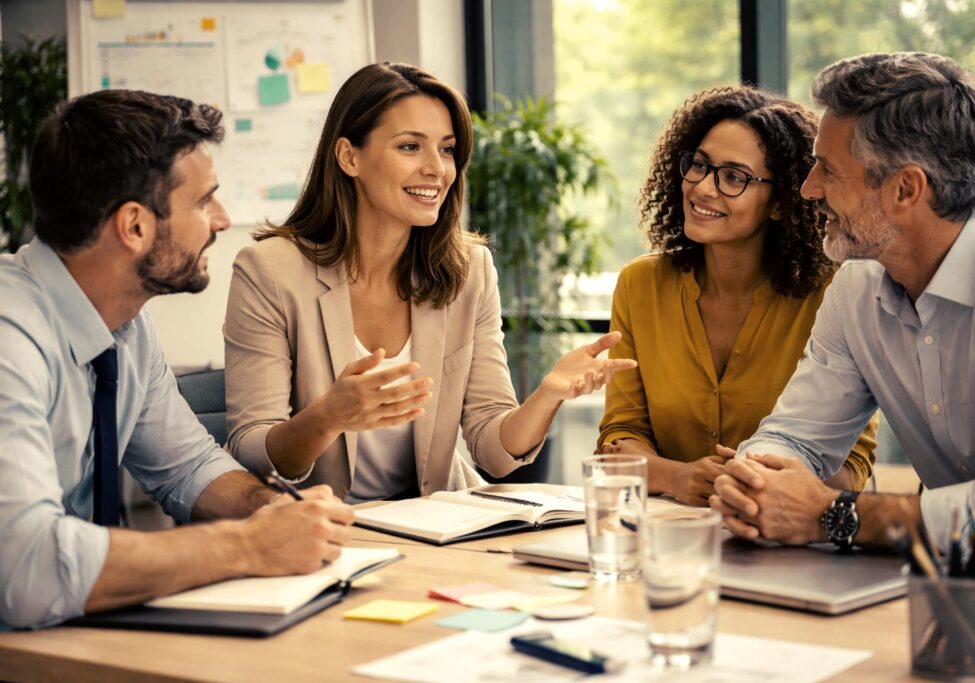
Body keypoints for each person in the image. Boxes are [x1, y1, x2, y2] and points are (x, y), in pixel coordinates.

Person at [0, 90, 356, 630]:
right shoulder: (10, 336)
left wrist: (272, 510)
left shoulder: (126, 326)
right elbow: (28, 569)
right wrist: (247, 546)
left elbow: (189, 468)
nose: (221, 219)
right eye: (203, 202)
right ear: (136, 226)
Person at [224, 62, 635, 502]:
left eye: (446, 149)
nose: (437, 169)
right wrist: (327, 416)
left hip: (436, 527)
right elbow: (252, 449)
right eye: (409, 147)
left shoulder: (468, 270)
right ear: (349, 157)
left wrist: (548, 394)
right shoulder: (269, 270)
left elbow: (492, 450)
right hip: (325, 530)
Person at [711, 52, 975, 560]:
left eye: (828, 171)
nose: (809, 189)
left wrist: (829, 514)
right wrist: (755, 481)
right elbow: (797, 435)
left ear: (905, 189)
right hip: (954, 581)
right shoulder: (857, 287)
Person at [598, 86, 877, 506]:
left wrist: (743, 484)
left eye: (734, 177)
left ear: (781, 202)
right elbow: (619, 441)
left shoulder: (837, 296)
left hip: (794, 543)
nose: (703, 189)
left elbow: (848, 465)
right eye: (699, 165)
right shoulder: (641, 285)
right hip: (668, 537)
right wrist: (680, 478)